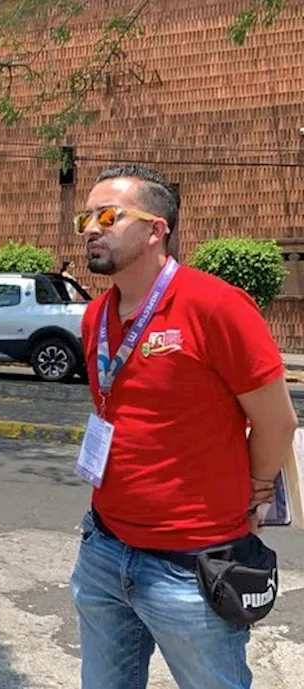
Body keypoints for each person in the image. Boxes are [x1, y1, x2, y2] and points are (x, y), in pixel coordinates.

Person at [70, 165, 297, 689]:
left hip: (192, 567)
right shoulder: (95, 316)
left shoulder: (216, 306)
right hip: (105, 549)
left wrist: (256, 489)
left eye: (107, 216)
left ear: (156, 229)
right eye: (86, 217)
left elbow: (277, 420)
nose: (89, 228)